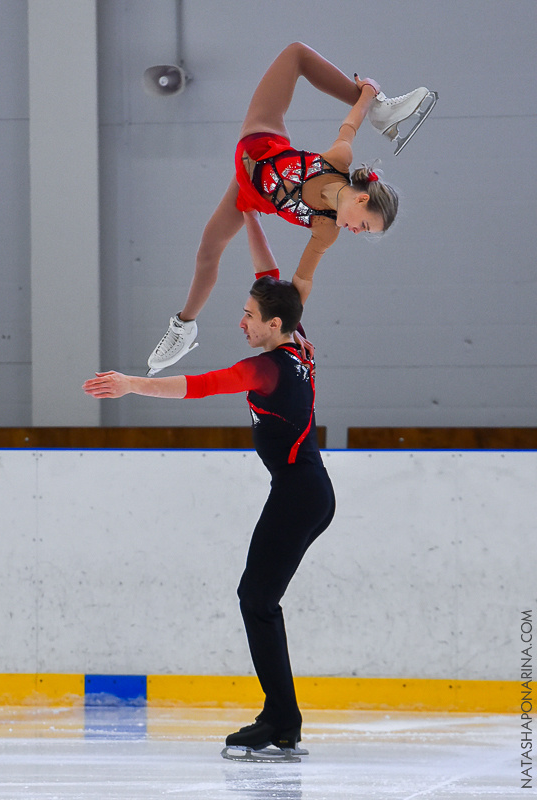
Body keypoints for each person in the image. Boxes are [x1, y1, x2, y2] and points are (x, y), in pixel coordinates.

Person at [83, 271, 336, 761]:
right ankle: (283, 718)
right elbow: (279, 279)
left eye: (249, 315)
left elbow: (203, 385)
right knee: (258, 599)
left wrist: (131, 384)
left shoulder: (268, 368)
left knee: (257, 600)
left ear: (274, 322)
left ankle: (282, 720)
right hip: (307, 491)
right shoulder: (300, 347)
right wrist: (249, 208)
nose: (241, 321)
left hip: (298, 495)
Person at [146, 41, 437, 376]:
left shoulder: (326, 230)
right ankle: (383, 112)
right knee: (295, 53)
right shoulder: (338, 160)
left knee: (208, 249)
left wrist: (290, 326)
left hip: (250, 192)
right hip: (261, 137)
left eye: (363, 233)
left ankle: (184, 326)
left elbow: (301, 280)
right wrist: (368, 95)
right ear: (361, 199)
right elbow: (350, 123)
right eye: (365, 226)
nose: (357, 233)